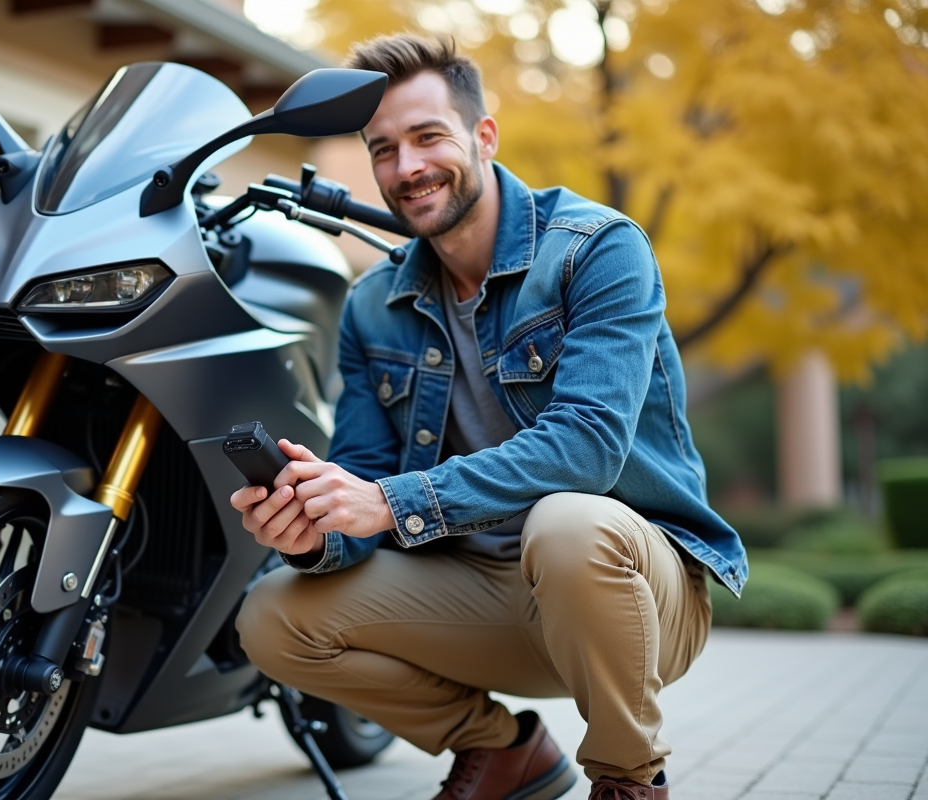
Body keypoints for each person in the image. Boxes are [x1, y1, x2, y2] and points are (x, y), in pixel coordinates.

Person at [231, 32, 746, 800]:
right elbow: (365, 479)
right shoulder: (373, 306)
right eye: (383, 149)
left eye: (428, 136)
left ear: (483, 135)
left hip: (631, 591)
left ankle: (629, 775)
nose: (407, 169)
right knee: (271, 615)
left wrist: (392, 503)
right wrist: (313, 532)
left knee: (569, 524)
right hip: (479, 596)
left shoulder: (595, 250)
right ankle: (505, 750)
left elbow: (589, 447)